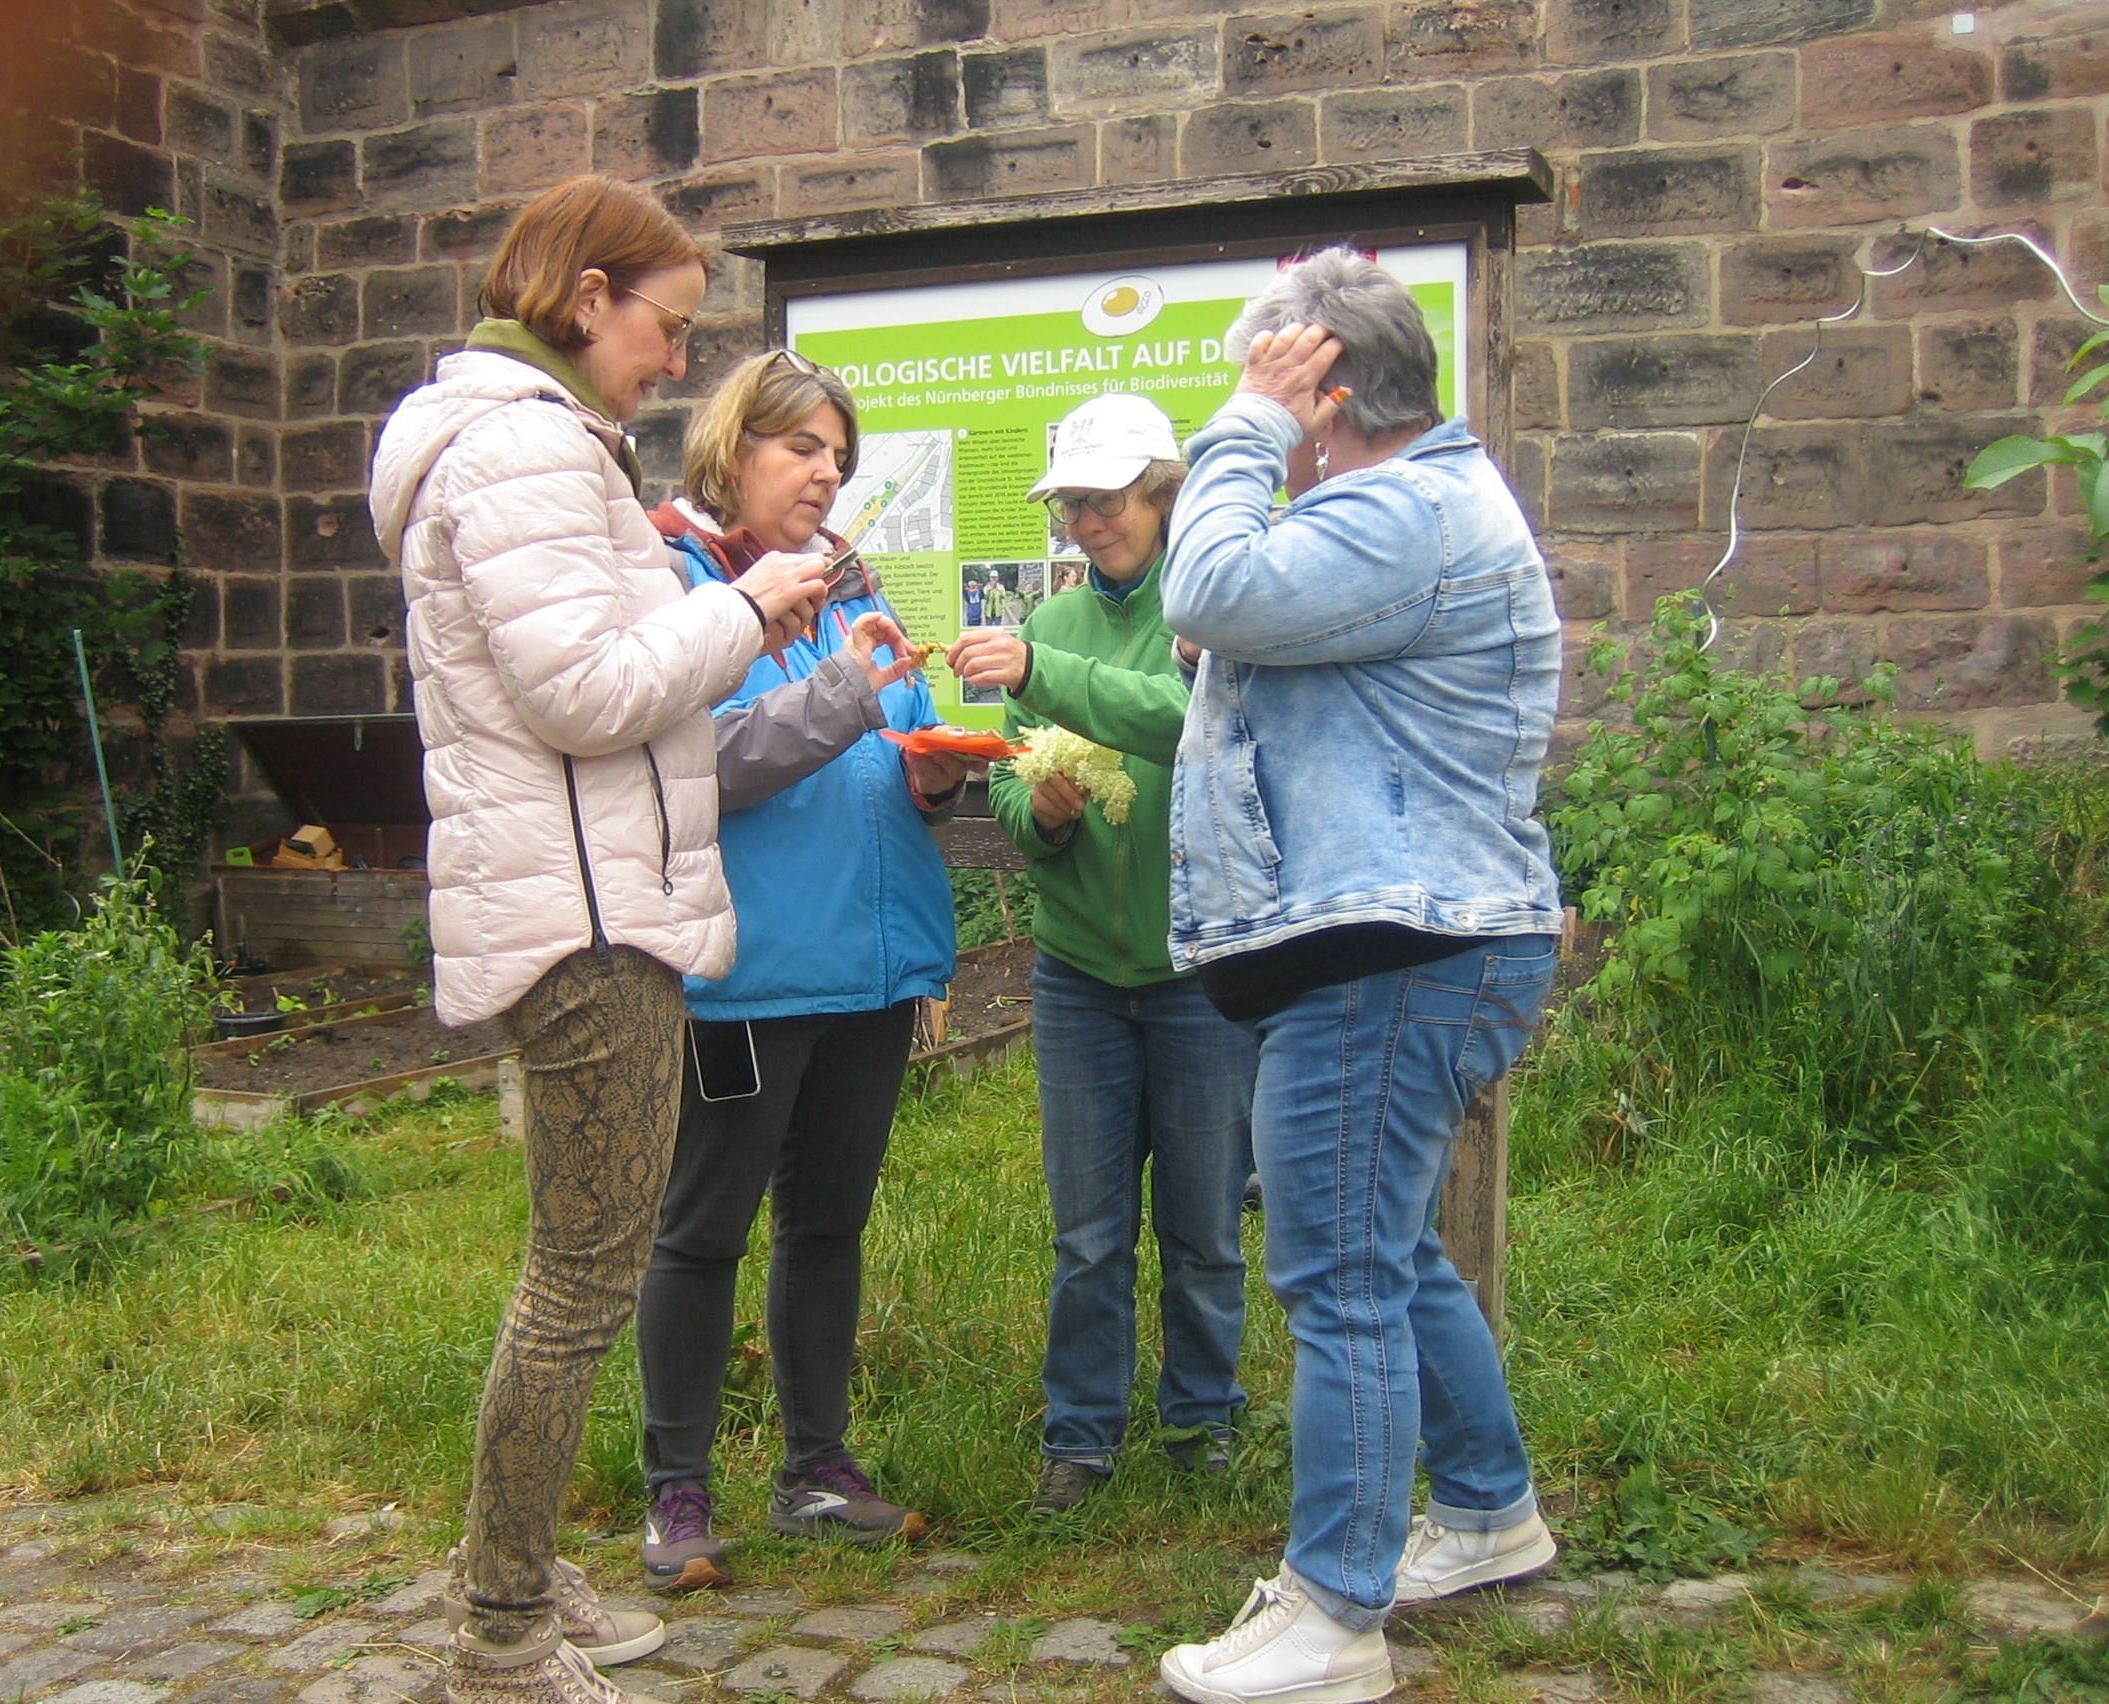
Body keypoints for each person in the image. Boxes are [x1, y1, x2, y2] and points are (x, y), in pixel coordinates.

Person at [368, 175, 832, 1704]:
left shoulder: (535, 442)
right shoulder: (519, 448)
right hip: (584, 925)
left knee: (570, 1271)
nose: (676, 362)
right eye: (667, 327)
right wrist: (748, 609)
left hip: (584, 902)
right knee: (579, 1286)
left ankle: (516, 1574)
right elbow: (583, 694)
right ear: (587, 298)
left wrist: (720, 611)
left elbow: (590, 665)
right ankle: (502, 1636)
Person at [1152, 251, 1563, 1704]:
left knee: (1339, 1277)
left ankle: (1333, 1616)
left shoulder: (1403, 508)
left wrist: (1244, 431)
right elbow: (1230, 627)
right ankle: (1489, 1510)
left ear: (1321, 392)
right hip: (1402, 939)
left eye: (1268, 379)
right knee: (1384, 1257)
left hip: (1394, 950)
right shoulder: (1405, 510)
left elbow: (1206, 579)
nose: (1249, 404)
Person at [634, 349, 973, 1591]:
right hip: (746, 974)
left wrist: (935, 774)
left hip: (869, 971)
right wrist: (846, 695)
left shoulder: (848, 588)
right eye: (801, 449)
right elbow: (698, 768)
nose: (827, 475)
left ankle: (816, 1472)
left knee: (827, 1228)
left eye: (839, 455)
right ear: (732, 454)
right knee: (703, 1229)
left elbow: (892, 742)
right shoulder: (679, 582)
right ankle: (676, 1491)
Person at [948, 392, 1258, 1517]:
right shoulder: (1058, 620)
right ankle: (1080, 1436)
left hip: (1198, 974)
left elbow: (1179, 714)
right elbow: (1006, 783)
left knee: (1204, 1225)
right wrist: (1045, 815)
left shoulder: (1211, 606)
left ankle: (1202, 1420)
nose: (1086, 524)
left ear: (1162, 493)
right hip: (1079, 975)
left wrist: (1038, 671)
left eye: (1106, 500)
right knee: (1087, 1234)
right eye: (1071, 506)